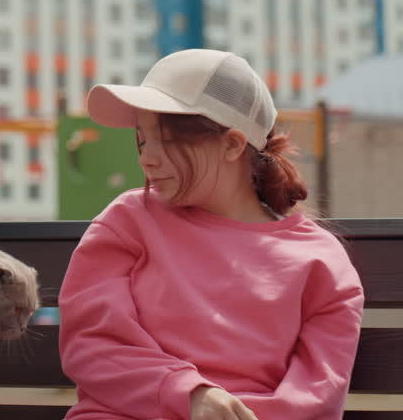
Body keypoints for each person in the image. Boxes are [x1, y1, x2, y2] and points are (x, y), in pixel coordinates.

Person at [59, 48, 364, 420]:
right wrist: (190, 396)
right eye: (142, 139)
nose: (146, 158)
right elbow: (93, 345)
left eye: (167, 139)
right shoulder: (127, 220)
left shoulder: (322, 261)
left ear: (232, 144)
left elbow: (317, 399)